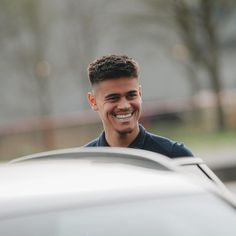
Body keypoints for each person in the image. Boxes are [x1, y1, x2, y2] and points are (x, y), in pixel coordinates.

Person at [84, 54, 193, 158]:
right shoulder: (82, 164)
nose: (124, 105)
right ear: (93, 101)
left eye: (131, 95)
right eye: (113, 98)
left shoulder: (174, 156)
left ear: (140, 94)